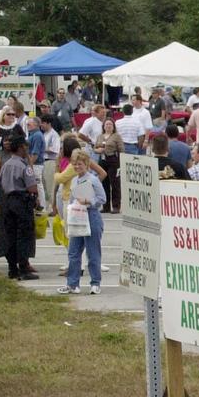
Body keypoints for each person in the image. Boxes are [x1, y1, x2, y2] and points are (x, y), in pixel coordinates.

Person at [59, 150, 106, 296]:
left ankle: (95, 283)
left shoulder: (93, 180)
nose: (77, 167)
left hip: (91, 216)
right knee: (73, 252)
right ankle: (73, 284)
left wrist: (89, 201)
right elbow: (73, 198)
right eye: (74, 164)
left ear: (86, 164)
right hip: (78, 217)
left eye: (79, 164)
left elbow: (102, 199)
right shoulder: (74, 180)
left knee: (93, 253)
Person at [0, 135, 39, 280]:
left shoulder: (6, 164)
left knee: (11, 235)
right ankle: (23, 267)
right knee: (24, 234)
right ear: (21, 148)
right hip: (22, 200)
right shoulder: (24, 165)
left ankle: (12, 268)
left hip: (8, 200)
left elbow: (3, 183)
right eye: (26, 147)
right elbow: (32, 187)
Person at [95, 116, 124, 213]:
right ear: (103, 126)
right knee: (104, 184)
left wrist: (120, 162)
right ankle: (106, 206)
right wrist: (98, 150)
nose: (108, 126)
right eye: (106, 124)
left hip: (113, 160)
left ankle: (116, 206)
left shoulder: (116, 136)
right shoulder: (100, 136)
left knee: (115, 183)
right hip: (102, 161)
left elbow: (121, 149)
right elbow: (95, 147)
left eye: (110, 124)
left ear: (113, 126)